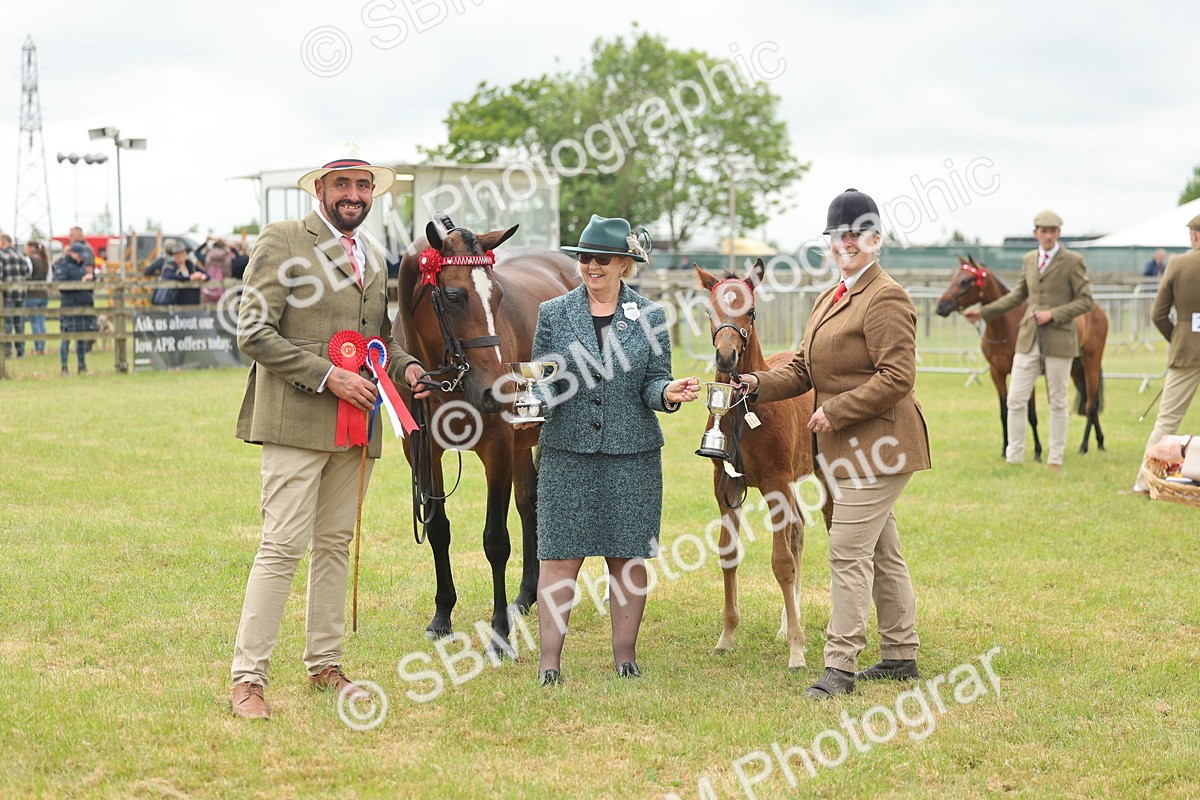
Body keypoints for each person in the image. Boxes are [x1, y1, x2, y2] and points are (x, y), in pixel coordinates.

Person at [229, 142, 430, 720]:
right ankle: (248, 679)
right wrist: (328, 376)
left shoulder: (374, 254)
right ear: (319, 189)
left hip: (357, 425)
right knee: (281, 547)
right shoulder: (283, 240)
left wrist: (405, 368)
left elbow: (377, 340)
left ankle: (325, 663)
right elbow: (254, 332)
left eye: (363, 186)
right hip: (296, 420)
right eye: (342, 184)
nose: (353, 195)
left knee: (335, 545)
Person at [737, 189, 931, 699]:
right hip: (845, 448)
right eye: (837, 235)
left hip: (883, 444)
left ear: (876, 240)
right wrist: (755, 383)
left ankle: (839, 665)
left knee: (846, 550)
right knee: (883, 550)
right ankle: (900, 655)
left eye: (856, 235)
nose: (845, 243)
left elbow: (898, 376)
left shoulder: (886, 297)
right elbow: (802, 369)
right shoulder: (831, 297)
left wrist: (835, 410)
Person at [517, 214, 699, 686]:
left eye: (601, 259)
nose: (591, 266)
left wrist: (667, 392)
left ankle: (625, 657)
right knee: (558, 558)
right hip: (566, 454)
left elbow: (654, 380)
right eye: (585, 258)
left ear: (623, 264)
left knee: (628, 560)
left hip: (633, 455)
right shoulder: (553, 313)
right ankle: (549, 664)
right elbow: (544, 378)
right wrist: (533, 402)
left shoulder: (651, 316)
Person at [964, 210, 1093, 469]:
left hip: (1060, 338)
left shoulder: (1073, 261)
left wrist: (1053, 314)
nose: (1048, 236)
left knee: (1057, 400)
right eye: (1043, 231)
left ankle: (1055, 458)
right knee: (1015, 398)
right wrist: (984, 312)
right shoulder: (1029, 259)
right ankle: (1014, 456)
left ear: (1059, 233)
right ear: (1036, 233)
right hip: (1028, 337)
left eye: (1052, 231)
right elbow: (1017, 295)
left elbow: (1085, 300)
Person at [1130, 215, 1200, 494]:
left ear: (1194, 236)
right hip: (1186, 349)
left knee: (1167, 420)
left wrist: (1179, 338)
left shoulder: (1178, 264)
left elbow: (1158, 314)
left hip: (1185, 352)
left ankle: (1145, 483)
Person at [53, 242, 94, 375]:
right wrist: (80, 283)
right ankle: (64, 368)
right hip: (69, 306)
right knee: (66, 338)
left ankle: (82, 366)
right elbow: (61, 285)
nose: (82, 258)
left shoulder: (81, 267)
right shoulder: (63, 266)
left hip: (82, 307)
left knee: (81, 338)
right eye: (79, 255)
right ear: (72, 253)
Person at [1, 234, 30, 358]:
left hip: (7, 295)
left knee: (7, 324)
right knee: (19, 323)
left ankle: (7, 351)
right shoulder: (21, 255)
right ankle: (20, 351)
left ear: (3, 242)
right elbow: (27, 274)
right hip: (21, 294)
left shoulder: (1, 255)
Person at [23, 240, 50, 355]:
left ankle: (38, 348)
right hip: (44, 294)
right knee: (41, 321)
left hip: (32, 294)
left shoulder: (29, 260)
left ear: (31, 247)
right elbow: (49, 278)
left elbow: (27, 275)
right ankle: (42, 347)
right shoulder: (45, 259)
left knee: (34, 322)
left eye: (26, 247)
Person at [200, 240, 230, 304]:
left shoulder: (210, 253)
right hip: (221, 275)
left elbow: (207, 262)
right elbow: (227, 267)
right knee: (221, 294)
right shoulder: (225, 254)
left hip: (210, 273)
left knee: (208, 291)